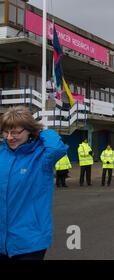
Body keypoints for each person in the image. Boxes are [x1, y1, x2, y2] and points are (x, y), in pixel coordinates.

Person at [0, 106, 67, 260]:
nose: (9, 137)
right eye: (5, 132)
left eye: (15, 132)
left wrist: (40, 131)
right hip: (2, 241)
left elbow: (57, 148)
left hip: (30, 240)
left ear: (29, 130)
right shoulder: (2, 155)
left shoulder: (41, 157)